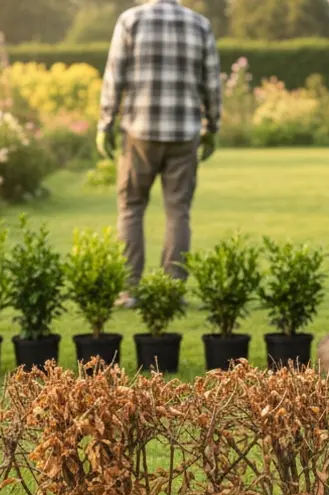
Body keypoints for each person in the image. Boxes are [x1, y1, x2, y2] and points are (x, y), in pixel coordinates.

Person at [97, 0, 222, 307]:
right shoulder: (200, 25)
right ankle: (172, 291)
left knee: (131, 208)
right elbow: (212, 83)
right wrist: (212, 127)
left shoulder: (131, 20)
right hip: (184, 134)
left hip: (138, 133)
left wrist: (105, 124)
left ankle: (129, 291)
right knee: (178, 211)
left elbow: (114, 77)